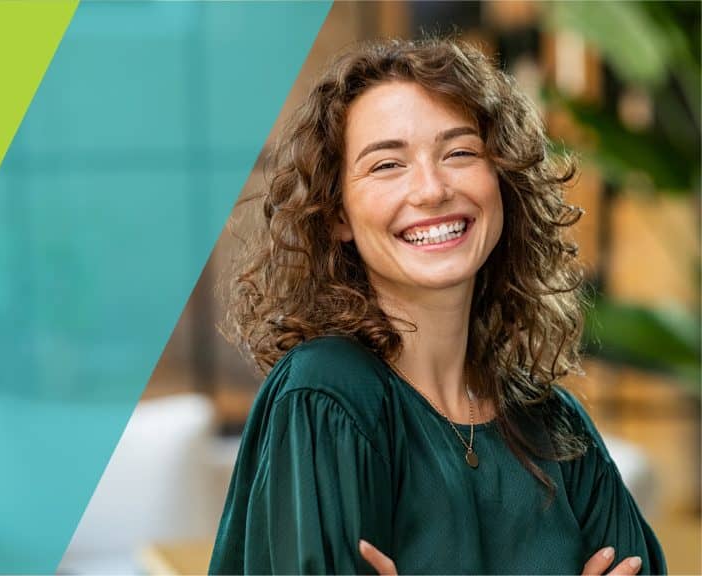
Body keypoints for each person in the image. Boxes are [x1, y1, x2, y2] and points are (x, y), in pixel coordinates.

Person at [208, 38, 666, 575]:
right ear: (338, 215)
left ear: (502, 182)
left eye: (459, 153)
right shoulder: (326, 396)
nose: (430, 189)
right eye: (386, 165)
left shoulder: (555, 426)